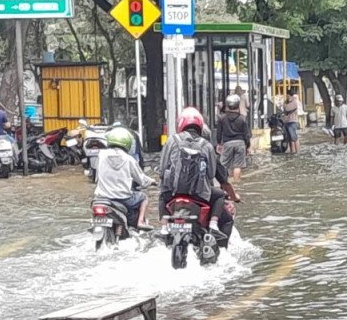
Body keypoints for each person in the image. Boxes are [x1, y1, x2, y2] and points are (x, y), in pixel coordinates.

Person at [159, 107, 240, 239]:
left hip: (172, 193)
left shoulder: (172, 140)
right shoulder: (207, 146)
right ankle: (213, 225)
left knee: (162, 193)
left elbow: (162, 169)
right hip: (199, 195)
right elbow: (211, 174)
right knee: (219, 196)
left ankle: (164, 226)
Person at [95, 127, 153, 230]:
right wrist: (151, 181)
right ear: (127, 143)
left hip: (102, 198)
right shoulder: (129, 159)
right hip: (123, 199)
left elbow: (96, 175)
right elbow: (142, 180)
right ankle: (141, 222)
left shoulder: (101, 155)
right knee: (144, 197)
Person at [216, 94, 251, 182]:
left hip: (227, 143)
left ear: (227, 105)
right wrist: (248, 146)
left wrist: (219, 143)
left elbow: (219, 132)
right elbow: (246, 134)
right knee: (237, 166)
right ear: (238, 105)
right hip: (240, 143)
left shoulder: (222, 118)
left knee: (224, 165)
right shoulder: (242, 118)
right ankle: (236, 184)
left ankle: (226, 184)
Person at [282, 88, 302, 154]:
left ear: (291, 96)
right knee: (290, 138)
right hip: (287, 122)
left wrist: (286, 105)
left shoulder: (294, 102)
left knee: (294, 137)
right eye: (287, 96)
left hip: (293, 122)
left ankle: (297, 151)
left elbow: (287, 109)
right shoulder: (286, 102)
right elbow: (284, 108)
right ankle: (292, 151)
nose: (288, 97)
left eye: (289, 96)